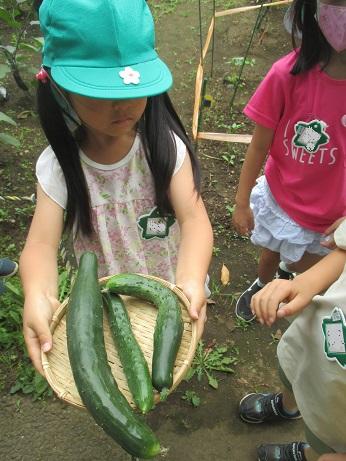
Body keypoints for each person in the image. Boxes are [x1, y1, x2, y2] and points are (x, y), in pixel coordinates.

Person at [20, 0, 213, 375]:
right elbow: (40, 245)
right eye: (101, 94)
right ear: (59, 88)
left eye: (133, 89)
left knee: (165, 363)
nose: (122, 106)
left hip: (169, 287)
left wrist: (189, 278)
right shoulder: (60, 167)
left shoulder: (165, 148)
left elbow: (194, 220)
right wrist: (38, 295)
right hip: (108, 302)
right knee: (119, 367)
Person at [232, 0, 346, 322]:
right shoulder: (285, 75)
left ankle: (290, 280)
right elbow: (257, 147)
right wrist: (242, 203)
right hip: (283, 199)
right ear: (311, 9)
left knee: (306, 264)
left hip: (330, 216)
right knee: (271, 250)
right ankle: (262, 283)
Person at [239, 218, 346, 461]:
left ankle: (307, 453)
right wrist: (305, 282)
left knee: (323, 443)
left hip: (339, 415)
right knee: (292, 371)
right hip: (315, 337)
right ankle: (287, 407)